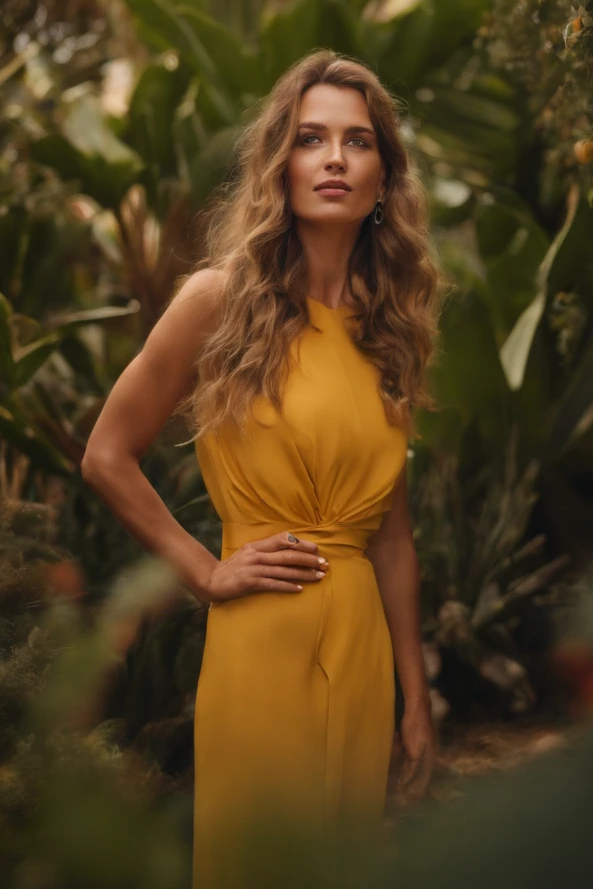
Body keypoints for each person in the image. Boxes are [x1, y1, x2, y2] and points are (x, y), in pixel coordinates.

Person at [81, 49, 443, 888]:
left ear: (383, 176)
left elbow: (389, 535)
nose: (333, 159)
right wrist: (205, 572)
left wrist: (415, 694)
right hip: (261, 634)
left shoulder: (391, 329)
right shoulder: (217, 300)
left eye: (357, 142)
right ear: (280, 163)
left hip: (360, 649)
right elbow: (107, 454)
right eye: (311, 138)